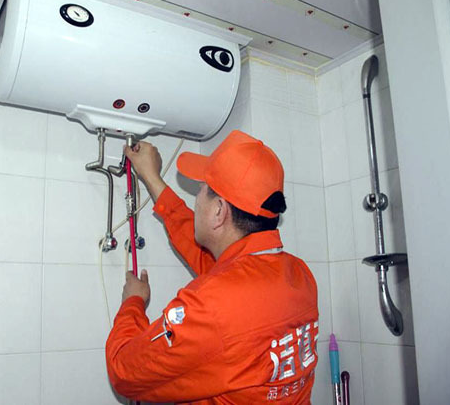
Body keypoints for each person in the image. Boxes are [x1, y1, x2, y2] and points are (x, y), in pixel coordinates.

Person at [106, 130, 318, 404]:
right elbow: (217, 267)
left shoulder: (212, 304)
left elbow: (123, 372)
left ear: (219, 210)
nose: (197, 200)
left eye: (201, 190)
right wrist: (153, 179)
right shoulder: (298, 275)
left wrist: (133, 304)